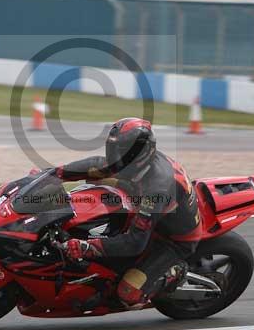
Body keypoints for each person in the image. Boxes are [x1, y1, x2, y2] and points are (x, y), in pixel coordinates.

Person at [55, 117, 201, 308]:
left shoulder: (158, 189)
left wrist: (87, 247)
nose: (114, 157)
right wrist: (53, 174)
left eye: (121, 152)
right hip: (143, 198)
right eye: (113, 149)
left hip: (173, 239)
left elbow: (135, 243)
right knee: (97, 180)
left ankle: (177, 271)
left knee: (128, 293)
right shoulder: (137, 162)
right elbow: (96, 164)